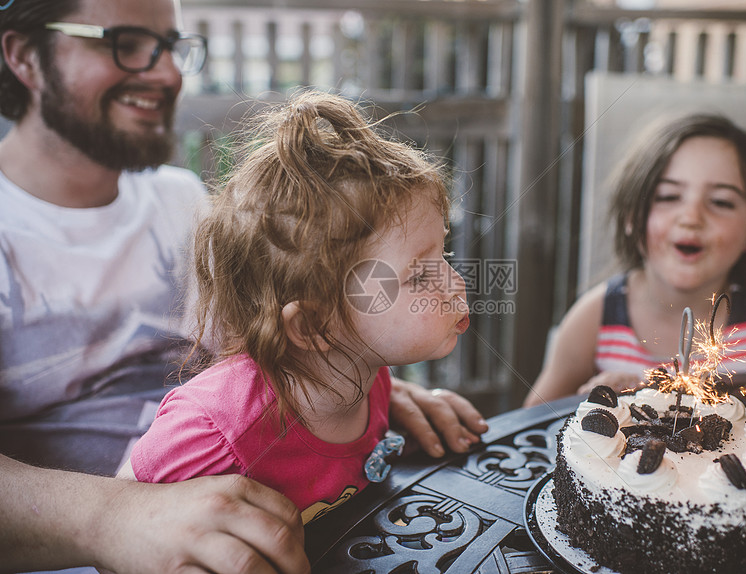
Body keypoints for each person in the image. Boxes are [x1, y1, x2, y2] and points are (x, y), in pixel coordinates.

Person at [0, 0, 484, 571]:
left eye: (172, 45)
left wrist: (358, 381)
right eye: (124, 42)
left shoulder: (180, 200)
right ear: (24, 56)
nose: (165, 72)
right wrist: (114, 516)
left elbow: (284, 343)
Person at [117, 90, 473, 526]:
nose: (455, 283)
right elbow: (125, 516)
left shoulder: (370, 376)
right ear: (313, 325)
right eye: (420, 275)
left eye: (445, 258)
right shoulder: (218, 433)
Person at [524, 113, 746, 407]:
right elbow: (532, 423)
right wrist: (589, 402)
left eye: (721, 202)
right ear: (631, 217)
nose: (692, 217)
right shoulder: (595, 318)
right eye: (668, 196)